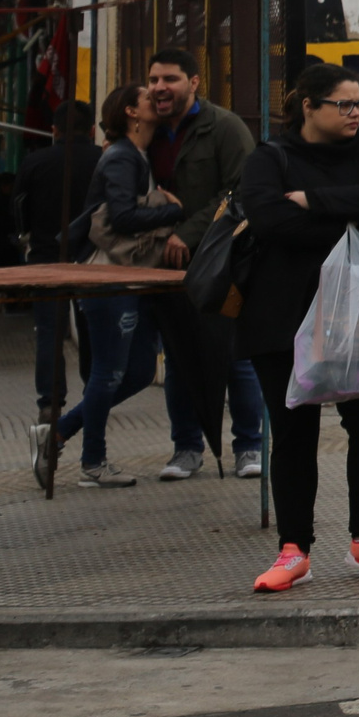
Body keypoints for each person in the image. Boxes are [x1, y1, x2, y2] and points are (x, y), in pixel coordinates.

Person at [236, 64, 359, 593]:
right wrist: (349, 217)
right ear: (308, 106)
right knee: (292, 435)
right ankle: (294, 550)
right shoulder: (271, 159)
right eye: (344, 104)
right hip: (285, 319)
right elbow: (267, 219)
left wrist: (313, 202)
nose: (355, 113)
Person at [144, 49, 261, 482]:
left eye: (170, 79)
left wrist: (188, 233)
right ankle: (186, 448)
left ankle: (249, 446)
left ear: (194, 82)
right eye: (154, 79)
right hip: (165, 268)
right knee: (178, 357)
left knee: (234, 357)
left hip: (221, 262)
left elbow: (239, 192)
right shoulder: (148, 132)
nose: (160, 88)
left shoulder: (223, 128)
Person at [51, 86, 176, 488]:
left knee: (139, 370)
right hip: (107, 275)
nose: (154, 97)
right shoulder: (122, 156)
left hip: (129, 276)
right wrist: (172, 209)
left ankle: (60, 430)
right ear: (130, 112)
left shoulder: (138, 153)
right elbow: (121, 217)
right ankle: (93, 462)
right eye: (144, 96)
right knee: (108, 371)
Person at [19, 99, 99, 481]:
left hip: (46, 259)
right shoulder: (102, 159)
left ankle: (50, 403)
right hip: (90, 260)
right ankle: (92, 394)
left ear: (54, 130)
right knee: (90, 331)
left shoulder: (34, 163)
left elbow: (20, 213)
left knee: (49, 332)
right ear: (91, 130)